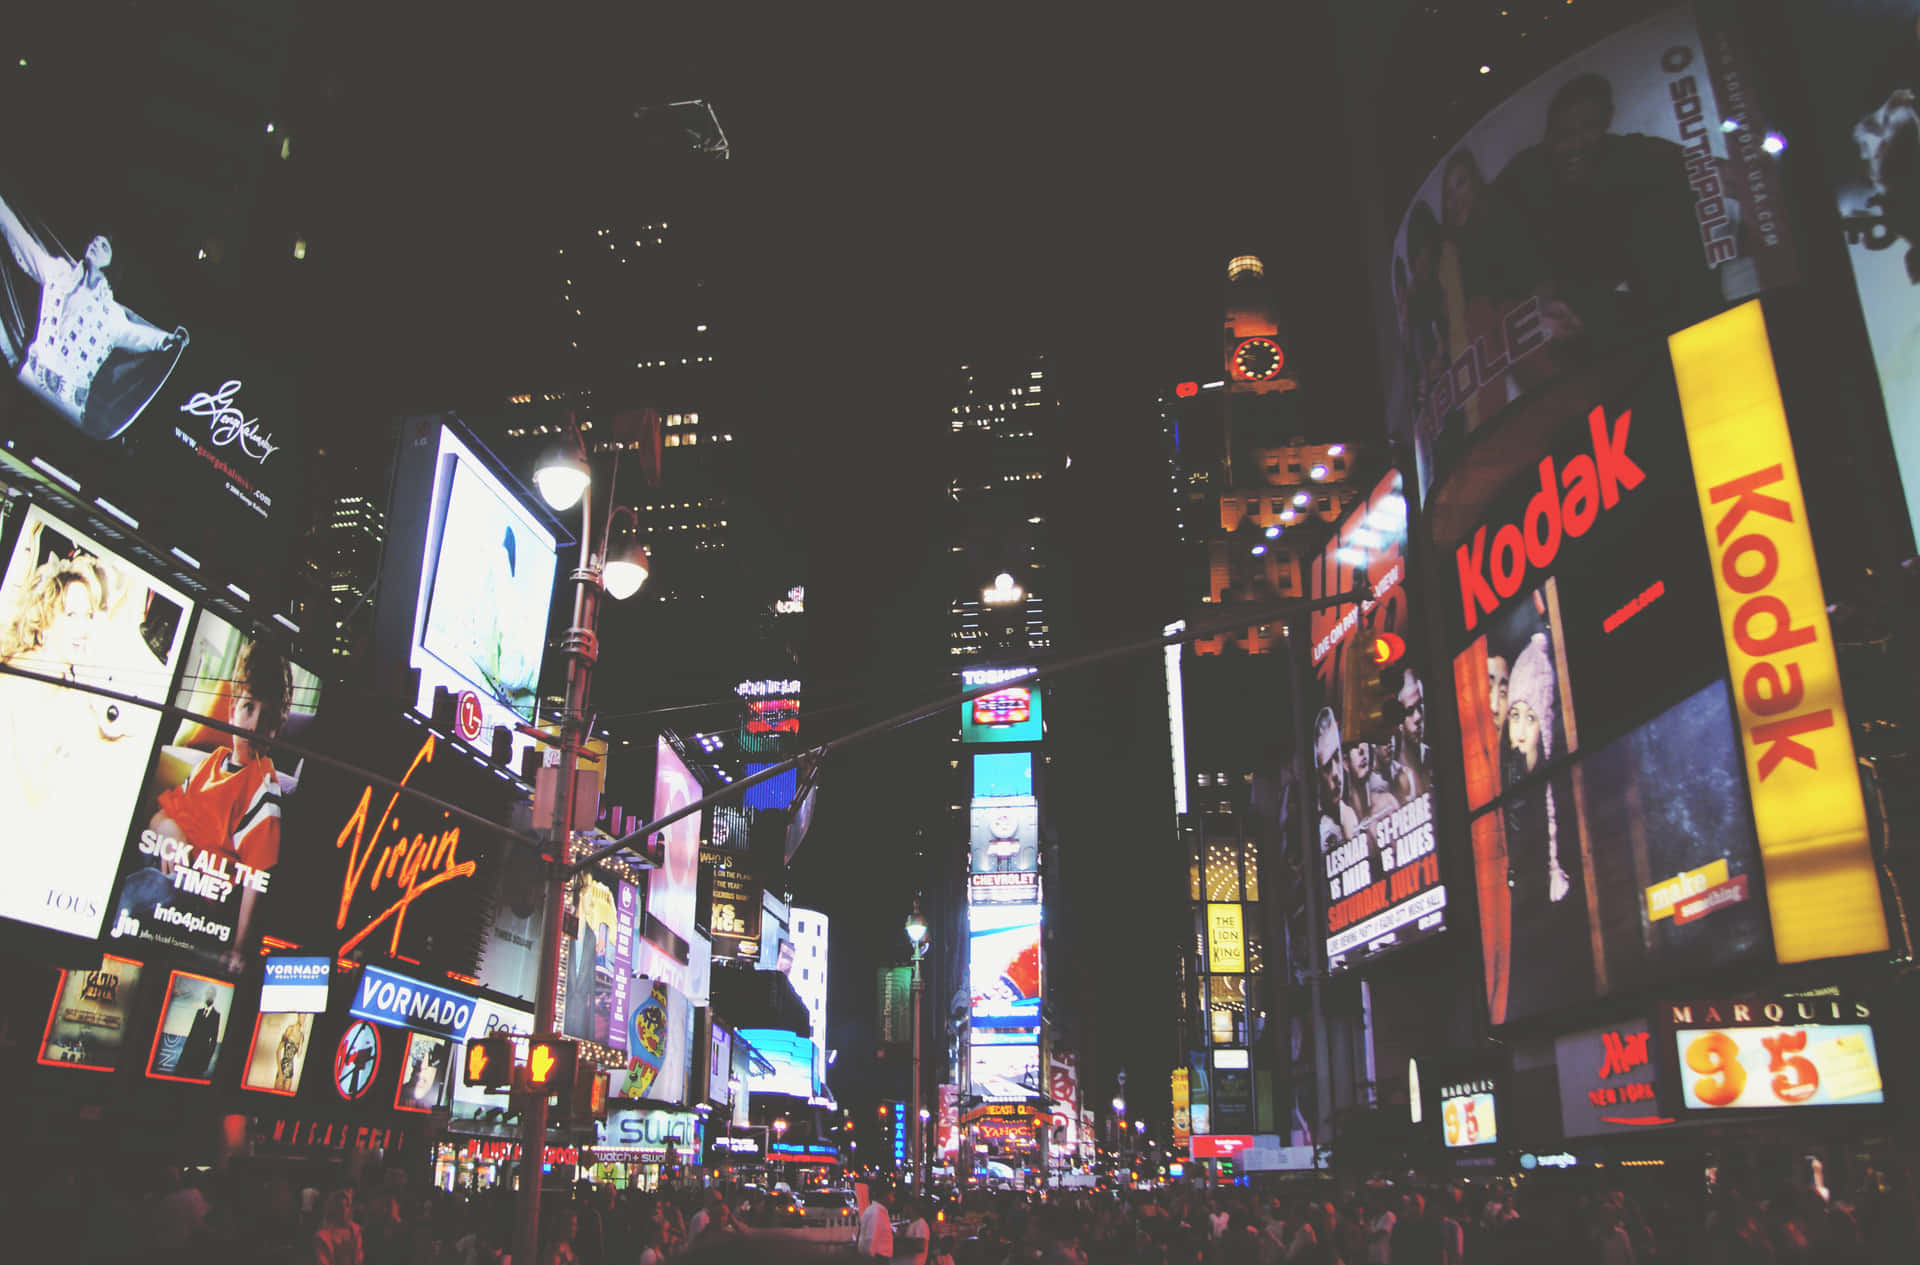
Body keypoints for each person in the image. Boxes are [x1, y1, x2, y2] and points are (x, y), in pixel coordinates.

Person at [1497, 71, 1729, 349]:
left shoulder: (1628, 152)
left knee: (1663, 202)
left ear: (1606, 122)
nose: (1577, 144)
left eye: (1589, 129)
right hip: (1571, 299)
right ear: (1550, 131)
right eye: (1565, 134)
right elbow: (1515, 255)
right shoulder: (1525, 174)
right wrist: (1544, 303)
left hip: (1651, 290)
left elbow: (1717, 172)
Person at [135, 637, 294, 969]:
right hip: (166, 869)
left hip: (195, 900)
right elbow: (160, 817)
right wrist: (169, 830)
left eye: (266, 718)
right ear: (233, 708)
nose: (253, 726)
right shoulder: (212, 763)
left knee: (136, 895)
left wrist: (238, 948)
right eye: (249, 708)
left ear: (277, 728)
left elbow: (255, 877)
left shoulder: (264, 788)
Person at [0, 191, 187, 437]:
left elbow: (144, 338)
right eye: (95, 240)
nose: (96, 243)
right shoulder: (58, 272)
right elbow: (24, 245)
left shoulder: (113, 317)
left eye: (104, 245)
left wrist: (170, 340)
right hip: (27, 383)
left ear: (113, 261)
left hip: (66, 413)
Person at [1313, 708, 1361, 851]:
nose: (1335, 773)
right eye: (1327, 767)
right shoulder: (1318, 831)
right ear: (1318, 777)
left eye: (1337, 757)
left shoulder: (1352, 812)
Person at [1385, 667, 1430, 802]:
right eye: (1410, 711)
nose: (1418, 717)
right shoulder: (1393, 778)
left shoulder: (1434, 756)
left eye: (1420, 706)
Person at [314, 1190, 364, 1265]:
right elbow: (322, 1260)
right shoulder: (323, 1235)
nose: (343, 1209)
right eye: (340, 1206)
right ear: (333, 1208)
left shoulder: (355, 1231)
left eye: (347, 1206)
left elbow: (359, 1258)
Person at [857, 1183, 895, 1259]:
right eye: (891, 1195)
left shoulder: (879, 1211)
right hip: (878, 1258)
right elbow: (870, 1238)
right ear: (885, 1196)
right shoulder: (876, 1213)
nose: (893, 1199)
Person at [898, 1197, 931, 1265]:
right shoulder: (911, 1224)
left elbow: (920, 1246)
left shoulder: (921, 1224)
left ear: (910, 1208)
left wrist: (900, 1243)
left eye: (905, 1207)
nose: (903, 1210)